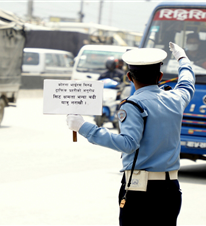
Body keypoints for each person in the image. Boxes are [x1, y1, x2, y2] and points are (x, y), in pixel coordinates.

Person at [66, 43, 195, 225]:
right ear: (160, 76)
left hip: (140, 190)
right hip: (170, 189)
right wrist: (183, 59)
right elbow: (187, 82)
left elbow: (129, 144)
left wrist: (85, 128)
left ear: (129, 76)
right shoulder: (176, 98)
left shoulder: (133, 105)